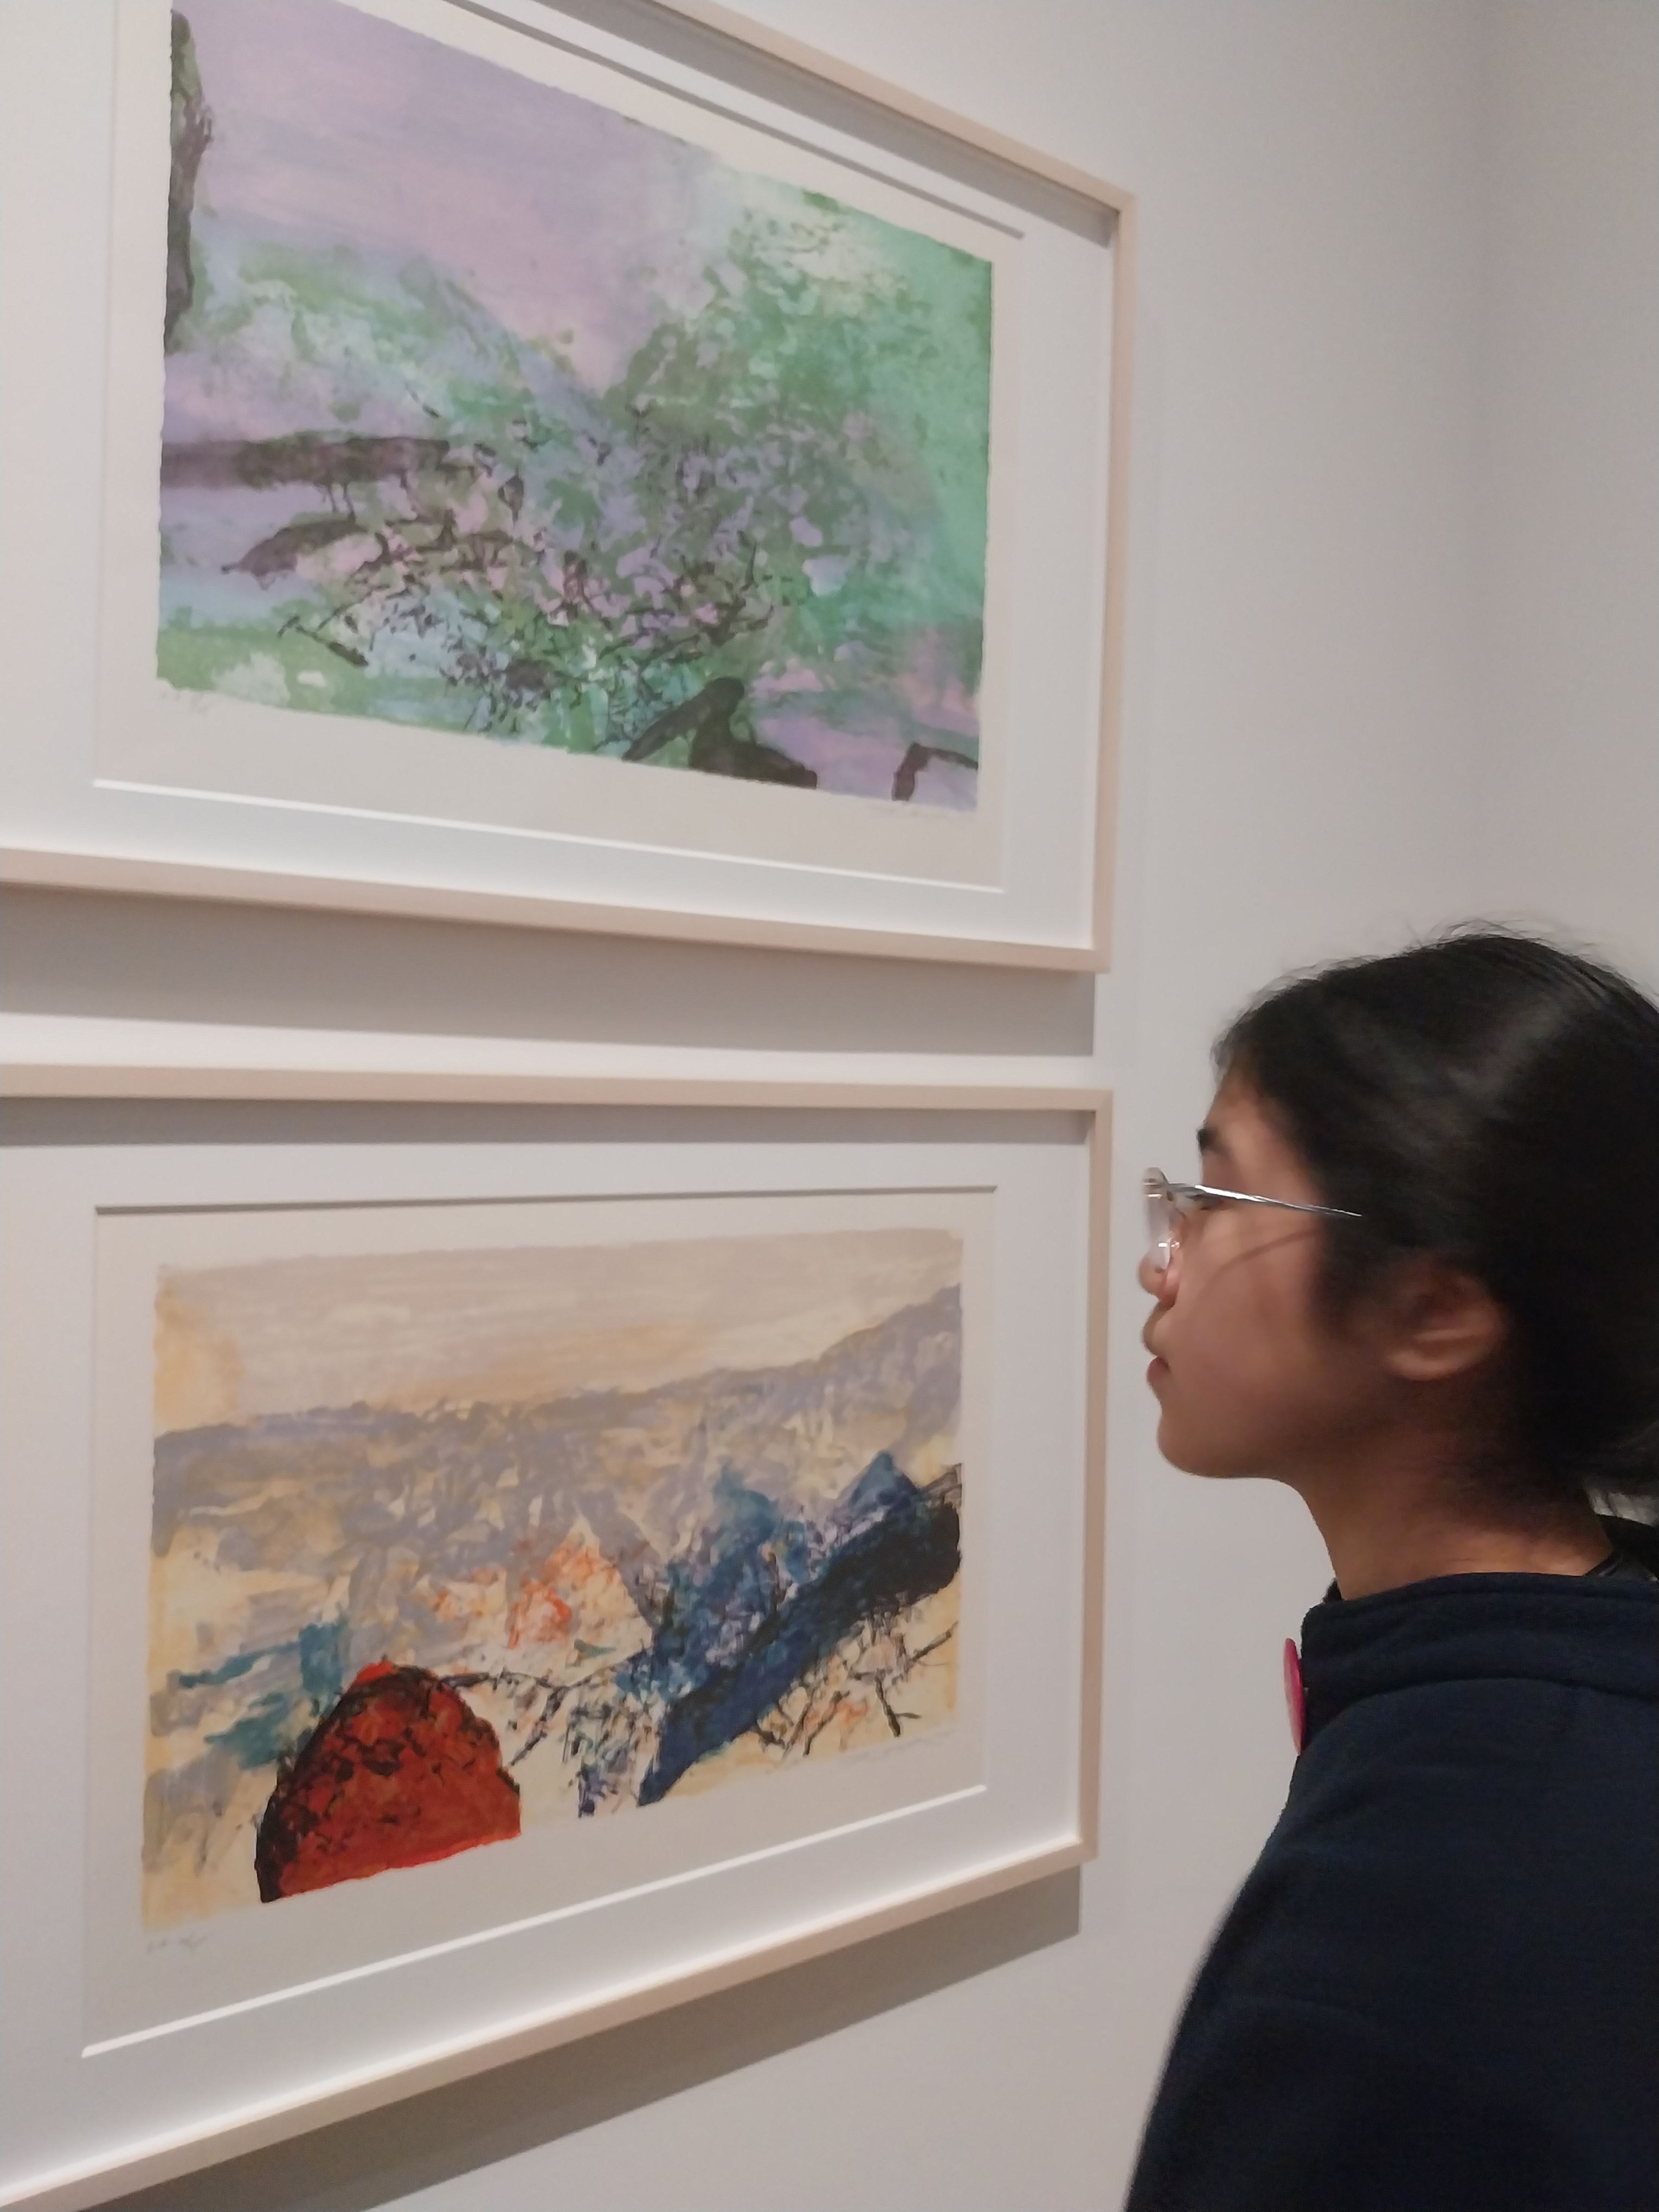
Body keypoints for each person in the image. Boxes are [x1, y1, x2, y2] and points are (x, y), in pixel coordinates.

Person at [1123, 929, 1659, 2212]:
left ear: (1435, 1311)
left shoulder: (1429, 1906)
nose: (1160, 1260)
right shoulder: (1570, 1692)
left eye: (1217, 1203)